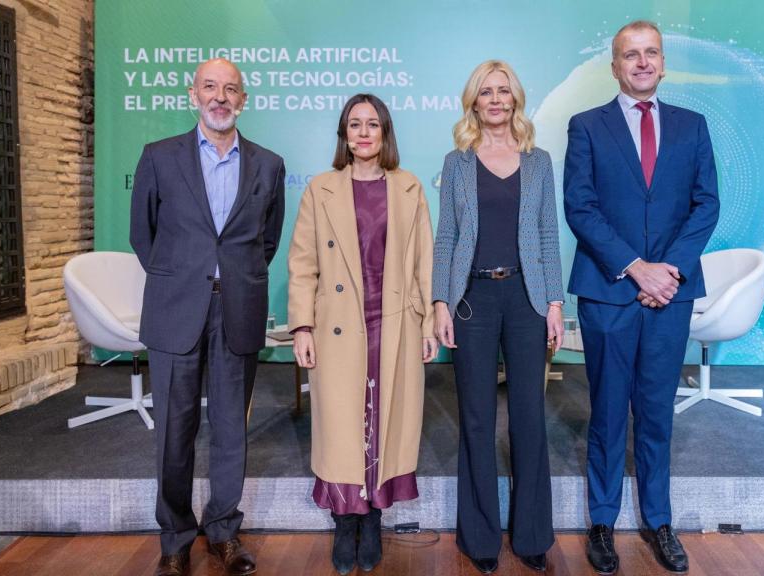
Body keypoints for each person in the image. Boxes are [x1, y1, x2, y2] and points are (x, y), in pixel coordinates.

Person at [563, 20, 720, 575]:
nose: (642, 62)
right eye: (630, 55)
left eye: (651, 52)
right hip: (609, 292)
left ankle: (659, 522)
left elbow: (707, 205)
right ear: (615, 66)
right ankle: (602, 522)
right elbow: (580, 207)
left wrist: (668, 271)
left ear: (663, 62)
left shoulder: (693, 126)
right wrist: (635, 269)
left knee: (656, 414)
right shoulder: (586, 126)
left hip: (670, 295)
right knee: (607, 412)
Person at [129, 58, 285, 576]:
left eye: (231, 90)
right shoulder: (158, 157)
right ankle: (174, 540)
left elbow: (266, 241)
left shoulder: (268, 163)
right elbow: (142, 235)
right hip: (176, 310)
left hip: (237, 308)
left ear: (243, 100)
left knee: (229, 430)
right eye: (210, 87)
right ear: (192, 94)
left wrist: (228, 279)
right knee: (174, 430)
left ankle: (223, 531)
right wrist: (185, 277)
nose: (220, 97)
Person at [287, 93, 437, 575]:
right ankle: (343, 520)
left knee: (386, 421)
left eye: (373, 124)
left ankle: (372, 517)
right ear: (344, 134)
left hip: (394, 321)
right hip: (337, 326)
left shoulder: (409, 187)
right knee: (340, 423)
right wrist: (302, 326)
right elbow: (303, 265)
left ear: (385, 132)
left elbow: (424, 262)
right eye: (355, 124)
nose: (364, 132)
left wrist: (431, 321)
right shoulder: (320, 189)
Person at [432, 60, 564, 574]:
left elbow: (550, 236)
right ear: (473, 101)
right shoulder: (458, 161)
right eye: (485, 92)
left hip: (528, 301)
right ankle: (480, 538)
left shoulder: (539, 161)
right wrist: (442, 302)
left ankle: (532, 535)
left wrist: (555, 303)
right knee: (478, 419)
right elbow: (446, 238)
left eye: (503, 91)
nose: (495, 100)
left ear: (516, 99)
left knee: (529, 418)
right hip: (473, 302)